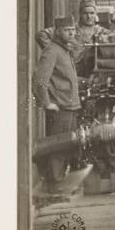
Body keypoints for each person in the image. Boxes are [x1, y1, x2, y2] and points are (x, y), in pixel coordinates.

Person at [33, 17, 82, 191]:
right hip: (61, 108)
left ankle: (58, 182)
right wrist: (46, 103)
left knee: (67, 147)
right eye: (67, 30)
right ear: (58, 31)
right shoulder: (52, 51)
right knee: (58, 149)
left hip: (71, 107)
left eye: (73, 30)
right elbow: (39, 80)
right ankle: (55, 186)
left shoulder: (65, 50)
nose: (72, 33)